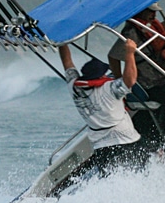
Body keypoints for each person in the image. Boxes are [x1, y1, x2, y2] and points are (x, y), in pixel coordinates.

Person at [59, 39, 146, 175]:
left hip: (100, 146)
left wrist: (62, 42)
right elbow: (130, 80)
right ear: (101, 75)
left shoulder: (74, 87)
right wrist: (130, 53)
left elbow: (67, 63)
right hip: (126, 140)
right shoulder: (109, 88)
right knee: (138, 172)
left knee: (109, 178)